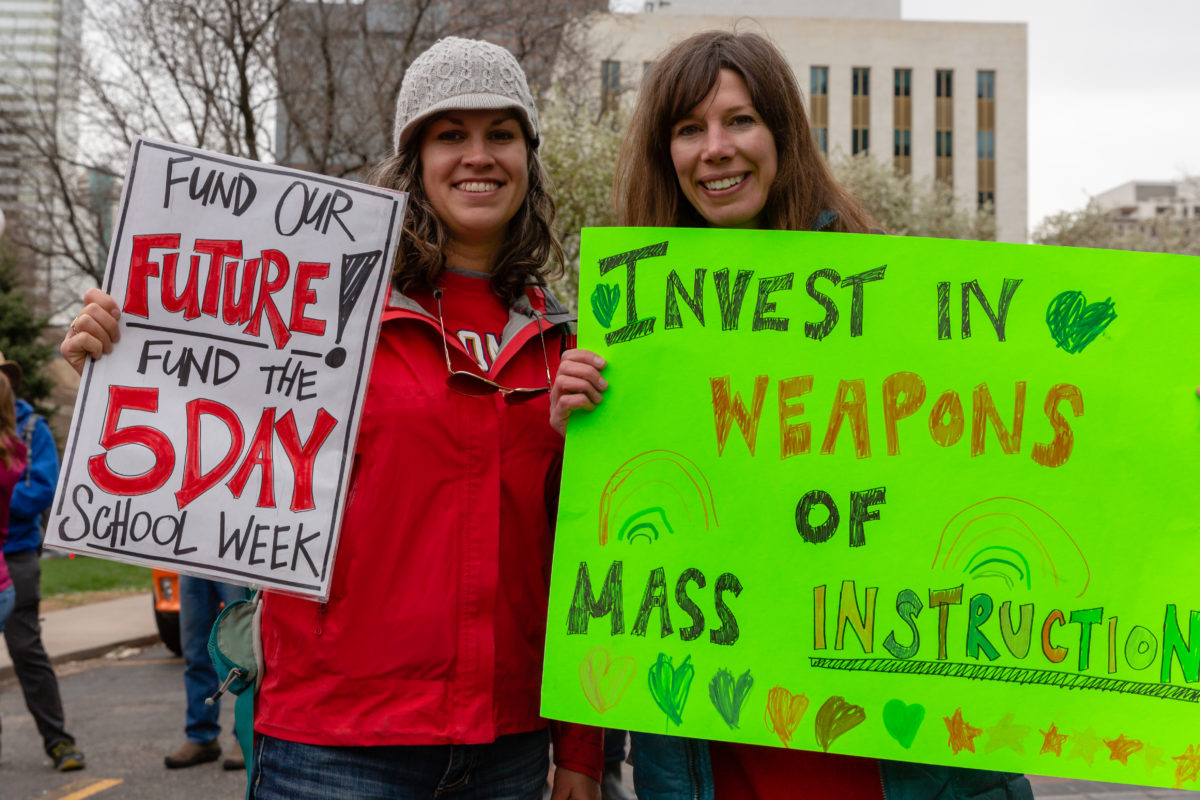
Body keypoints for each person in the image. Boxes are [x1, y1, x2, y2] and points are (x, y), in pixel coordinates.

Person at [61, 36, 601, 799]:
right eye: (451, 134)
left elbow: (585, 554)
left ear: (527, 156)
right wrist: (121, 361)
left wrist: (580, 748)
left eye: (500, 133)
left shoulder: (570, 346)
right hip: (334, 748)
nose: (478, 156)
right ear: (414, 161)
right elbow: (207, 418)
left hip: (507, 746)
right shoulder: (314, 314)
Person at [550, 30, 1034, 800]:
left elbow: (1002, 460)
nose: (716, 149)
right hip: (712, 757)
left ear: (782, 134)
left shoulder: (896, 306)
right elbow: (602, 567)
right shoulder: (630, 340)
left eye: (739, 121)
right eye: (688, 129)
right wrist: (580, 435)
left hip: (889, 761)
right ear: (664, 153)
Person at [0, 351, 86, 772]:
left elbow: (42, 491)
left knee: (26, 652)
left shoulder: (31, 429)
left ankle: (59, 741)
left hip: (15, 556)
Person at [163, 576, 247, 770]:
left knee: (242, 647)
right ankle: (201, 735)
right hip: (194, 558)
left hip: (233, 553)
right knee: (195, 650)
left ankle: (245, 738)